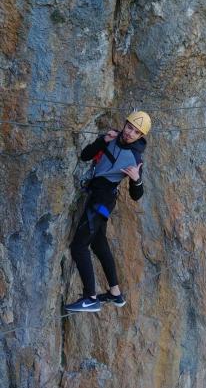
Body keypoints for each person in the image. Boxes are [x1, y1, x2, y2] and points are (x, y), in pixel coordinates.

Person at [65, 111, 151, 312]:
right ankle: (115, 292)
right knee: (98, 242)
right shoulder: (110, 137)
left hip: (103, 200)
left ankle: (90, 298)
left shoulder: (134, 158)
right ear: (125, 123)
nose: (130, 133)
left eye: (136, 132)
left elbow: (136, 196)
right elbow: (85, 155)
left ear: (140, 137)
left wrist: (137, 179)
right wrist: (102, 141)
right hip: (99, 197)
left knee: (79, 246)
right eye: (130, 127)